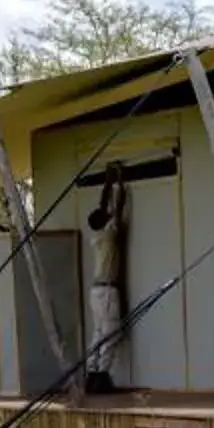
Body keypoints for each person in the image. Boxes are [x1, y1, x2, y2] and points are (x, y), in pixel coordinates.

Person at [81, 164, 130, 395]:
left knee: (99, 333)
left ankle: (91, 373)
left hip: (96, 292)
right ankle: (101, 376)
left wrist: (107, 183)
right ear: (104, 220)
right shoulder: (110, 233)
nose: (108, 212)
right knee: (111, 333)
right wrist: (119, 184)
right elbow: (117, 209)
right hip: (108, 291)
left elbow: (103, 208)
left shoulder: (96, 235)